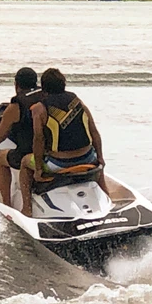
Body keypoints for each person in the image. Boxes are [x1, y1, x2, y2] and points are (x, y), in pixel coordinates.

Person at [19, 68, 109, 217]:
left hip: (60, 164)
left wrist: (39, 169)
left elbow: (38, 140)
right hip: (88, 159)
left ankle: (27, 209)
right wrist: (100, 157)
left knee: (24, 162)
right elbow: (94, 131)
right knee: (98, 165)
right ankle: (107, 197)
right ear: (63, 84)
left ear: (44, 88)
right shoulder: (77, 101)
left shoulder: (40, 108)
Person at [0, 67, 44, 207]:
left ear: (16, 85)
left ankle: (6, 204)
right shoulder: (46, 95)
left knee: (1, 158)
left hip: (28, 153)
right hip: (50, 149)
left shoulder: (16, 105)